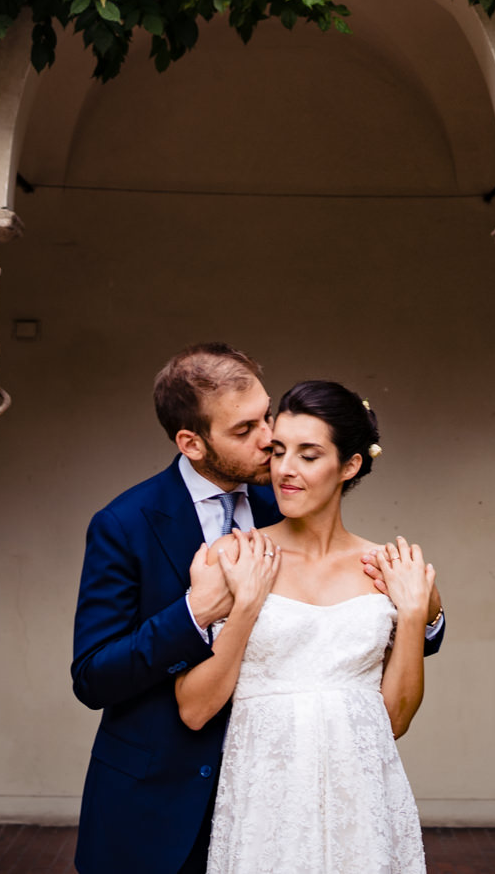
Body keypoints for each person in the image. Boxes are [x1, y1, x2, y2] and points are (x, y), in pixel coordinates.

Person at [71, 346, 445, 874]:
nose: (270, 441)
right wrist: (195, 612)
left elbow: (364, 636)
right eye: (246, 430)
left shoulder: (285, 497)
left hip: (328, 790)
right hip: (165, 795)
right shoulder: (125, 524)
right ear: (192, 443)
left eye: (266, 417)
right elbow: (92, 676)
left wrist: (425, 612)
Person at [177, 380, 435, 874]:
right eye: (278, 451)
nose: (285, 470)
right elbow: (192, 708)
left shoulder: (386, 568)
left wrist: (413, 614)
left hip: (362, 802)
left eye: (308, 455)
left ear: (350, 465)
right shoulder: (234, 557)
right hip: (265, 804)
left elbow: (396, 720)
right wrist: (248, 604)